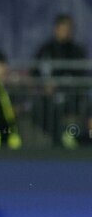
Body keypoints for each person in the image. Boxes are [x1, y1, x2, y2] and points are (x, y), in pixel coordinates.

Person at [33, 14, 88, 147]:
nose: (66, 32)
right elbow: (35, 73)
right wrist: (44, 85)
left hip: (72, 98)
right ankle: (58, 141)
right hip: (49, 99)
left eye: (69, 29)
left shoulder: (77, 51)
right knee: (40, 109)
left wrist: (65, 84)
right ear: (56, 29)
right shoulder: (45, 49)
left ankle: (76, 140)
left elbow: (81, 76)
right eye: (63, 29)